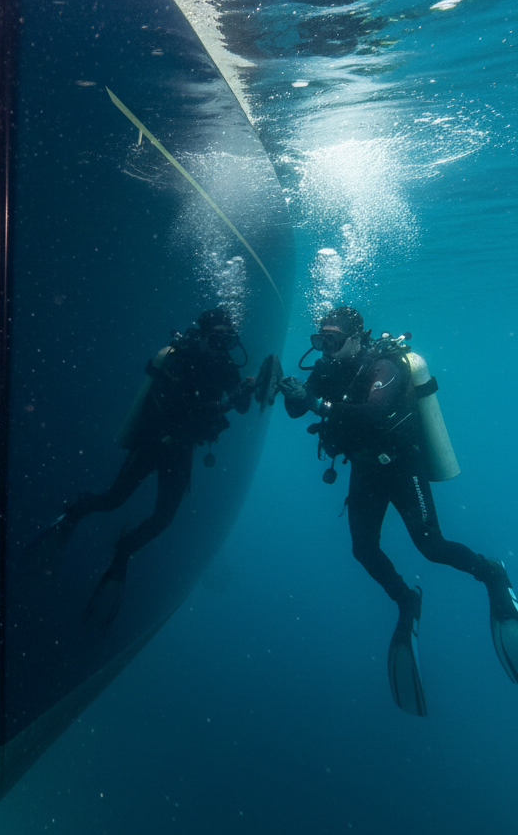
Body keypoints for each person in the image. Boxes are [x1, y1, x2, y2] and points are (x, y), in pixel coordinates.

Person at [281, 305, 518, 714]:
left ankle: (492, 573)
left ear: (356, 338)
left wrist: (318, 405)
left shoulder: (384, 364)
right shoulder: (326, 368)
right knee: (363, 549)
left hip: (400, 464)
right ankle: (406, 600)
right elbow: (297, 409)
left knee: (431, 545)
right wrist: (293, 393)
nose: (326, 348)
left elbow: (376, 412)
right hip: (365, 468)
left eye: (334, 340)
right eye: (321, 340)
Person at [30, 308, 263, 627]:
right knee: (114, 499)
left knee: (165, 516)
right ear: (204, 337)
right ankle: (72, 515)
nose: (221, 345)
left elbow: (241, 406)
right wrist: (226, 402)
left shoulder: (225, 365)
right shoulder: (182, 357)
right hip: (155, 441)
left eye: (228, 339)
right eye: (215, 338)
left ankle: (123, 550)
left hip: (182, 449)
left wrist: (246, 392)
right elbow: (179, 405)